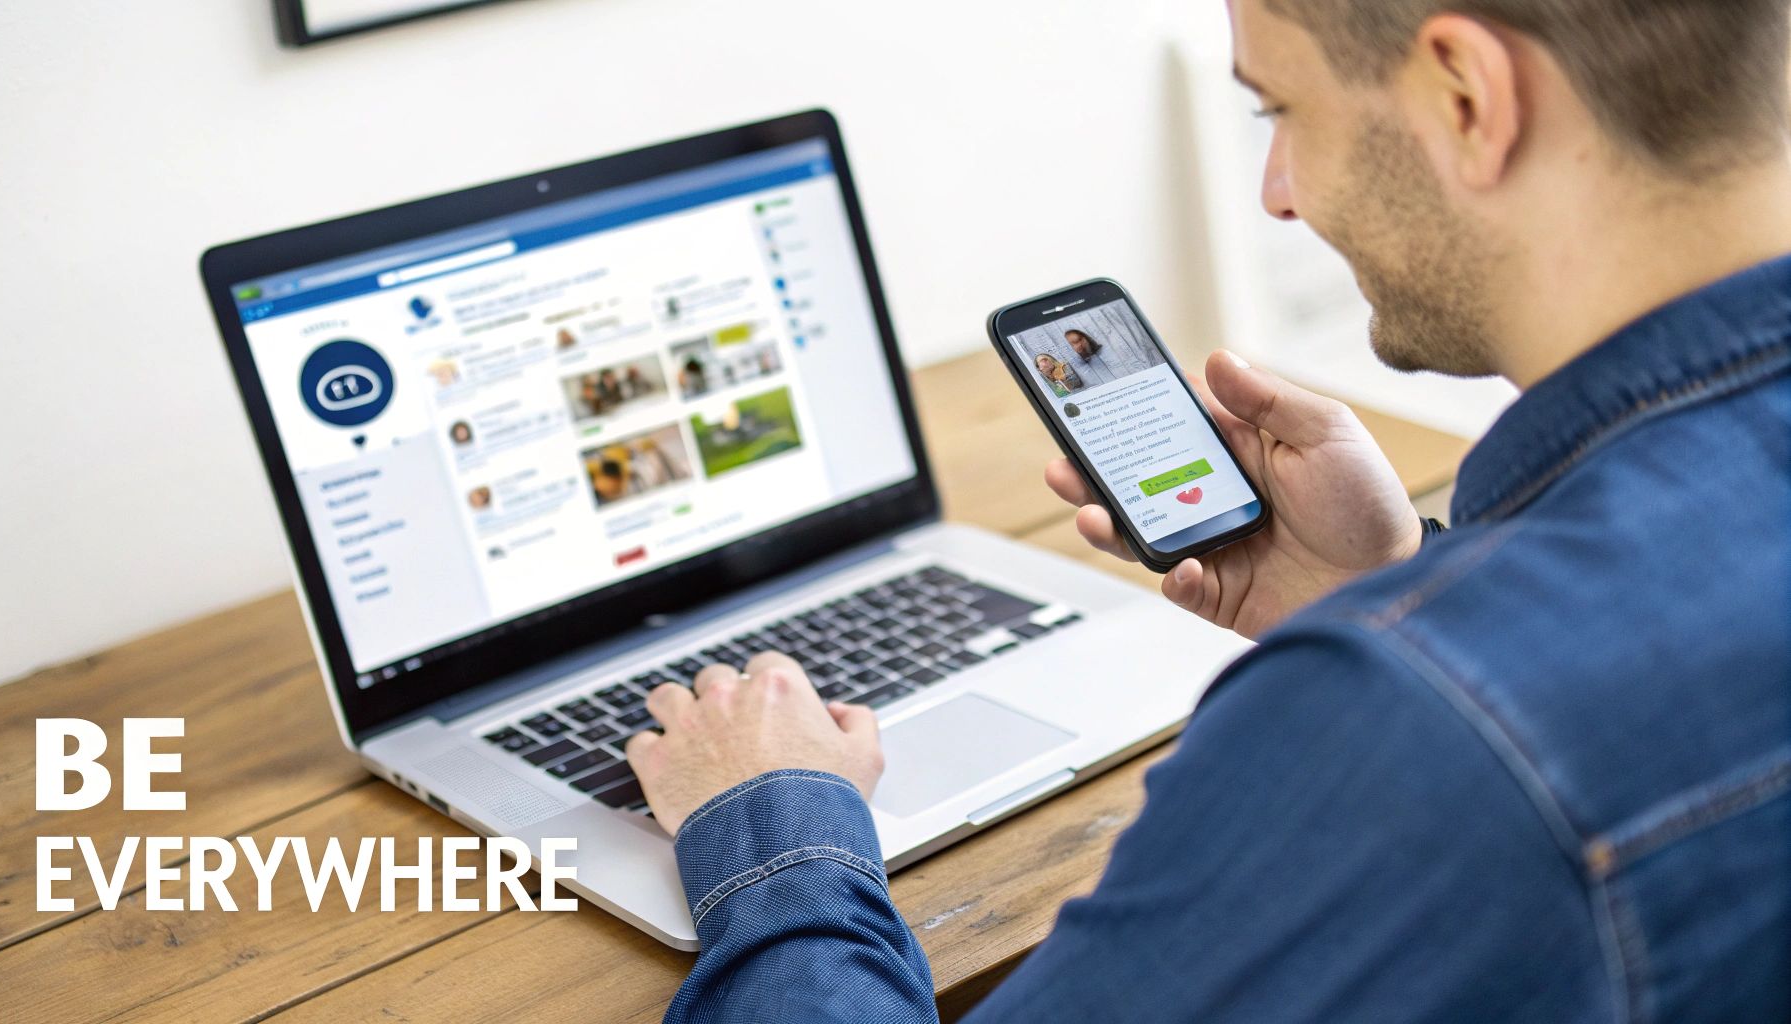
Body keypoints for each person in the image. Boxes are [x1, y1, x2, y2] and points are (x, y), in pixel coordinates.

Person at [625, 0, 1791, 1019]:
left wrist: (775, 835)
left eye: (1275, 111)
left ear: (1465, 94)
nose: (1277, 194)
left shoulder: (1420, 730)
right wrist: (1391, 585)